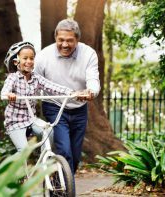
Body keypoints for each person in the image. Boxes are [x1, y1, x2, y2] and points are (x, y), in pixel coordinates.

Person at [34, 19, 101, 175]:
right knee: (64, 151)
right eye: (61, 40)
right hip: (54, 106)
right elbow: (33, 82)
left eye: (70, 40)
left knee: (75, 157)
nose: (65, 45)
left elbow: (93, 79)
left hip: (79, 108)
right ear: (56, 37)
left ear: (77, 39)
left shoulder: (88, 54)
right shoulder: (44, 56)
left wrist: (91, 91)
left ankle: (60, 183)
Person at [1, 41, 79, 152]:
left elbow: (52, 86)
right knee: (23, 151)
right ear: (16, 62)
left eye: (31, 58)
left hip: (31, 119)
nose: (29, 61)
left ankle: (44, 164)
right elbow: (4, 92)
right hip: (15, 122)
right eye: (25, 58)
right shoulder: (12, 78)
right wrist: (9, 94)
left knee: (49, 131)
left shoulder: (36, 78)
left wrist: (71, 93)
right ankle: (21, 169)